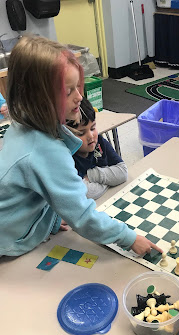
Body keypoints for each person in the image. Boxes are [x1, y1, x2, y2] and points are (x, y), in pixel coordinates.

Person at [0, 35, 162, 257]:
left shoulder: (21, 123)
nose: (79, 97)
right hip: (9, 243)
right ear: (37, 98)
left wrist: (53, 220)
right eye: (68, 92)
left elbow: (33, 192)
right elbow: (83, 216)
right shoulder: (46, 150)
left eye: (78, 87)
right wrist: (129, 238)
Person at [67, 97, 128, 200]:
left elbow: (122, 172)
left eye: (93, 128)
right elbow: (85, 193)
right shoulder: (67, 157)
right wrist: (110, 179)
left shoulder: (99, 142)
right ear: (67, 135)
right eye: (81, 133)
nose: (90, 136)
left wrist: (91, 176)